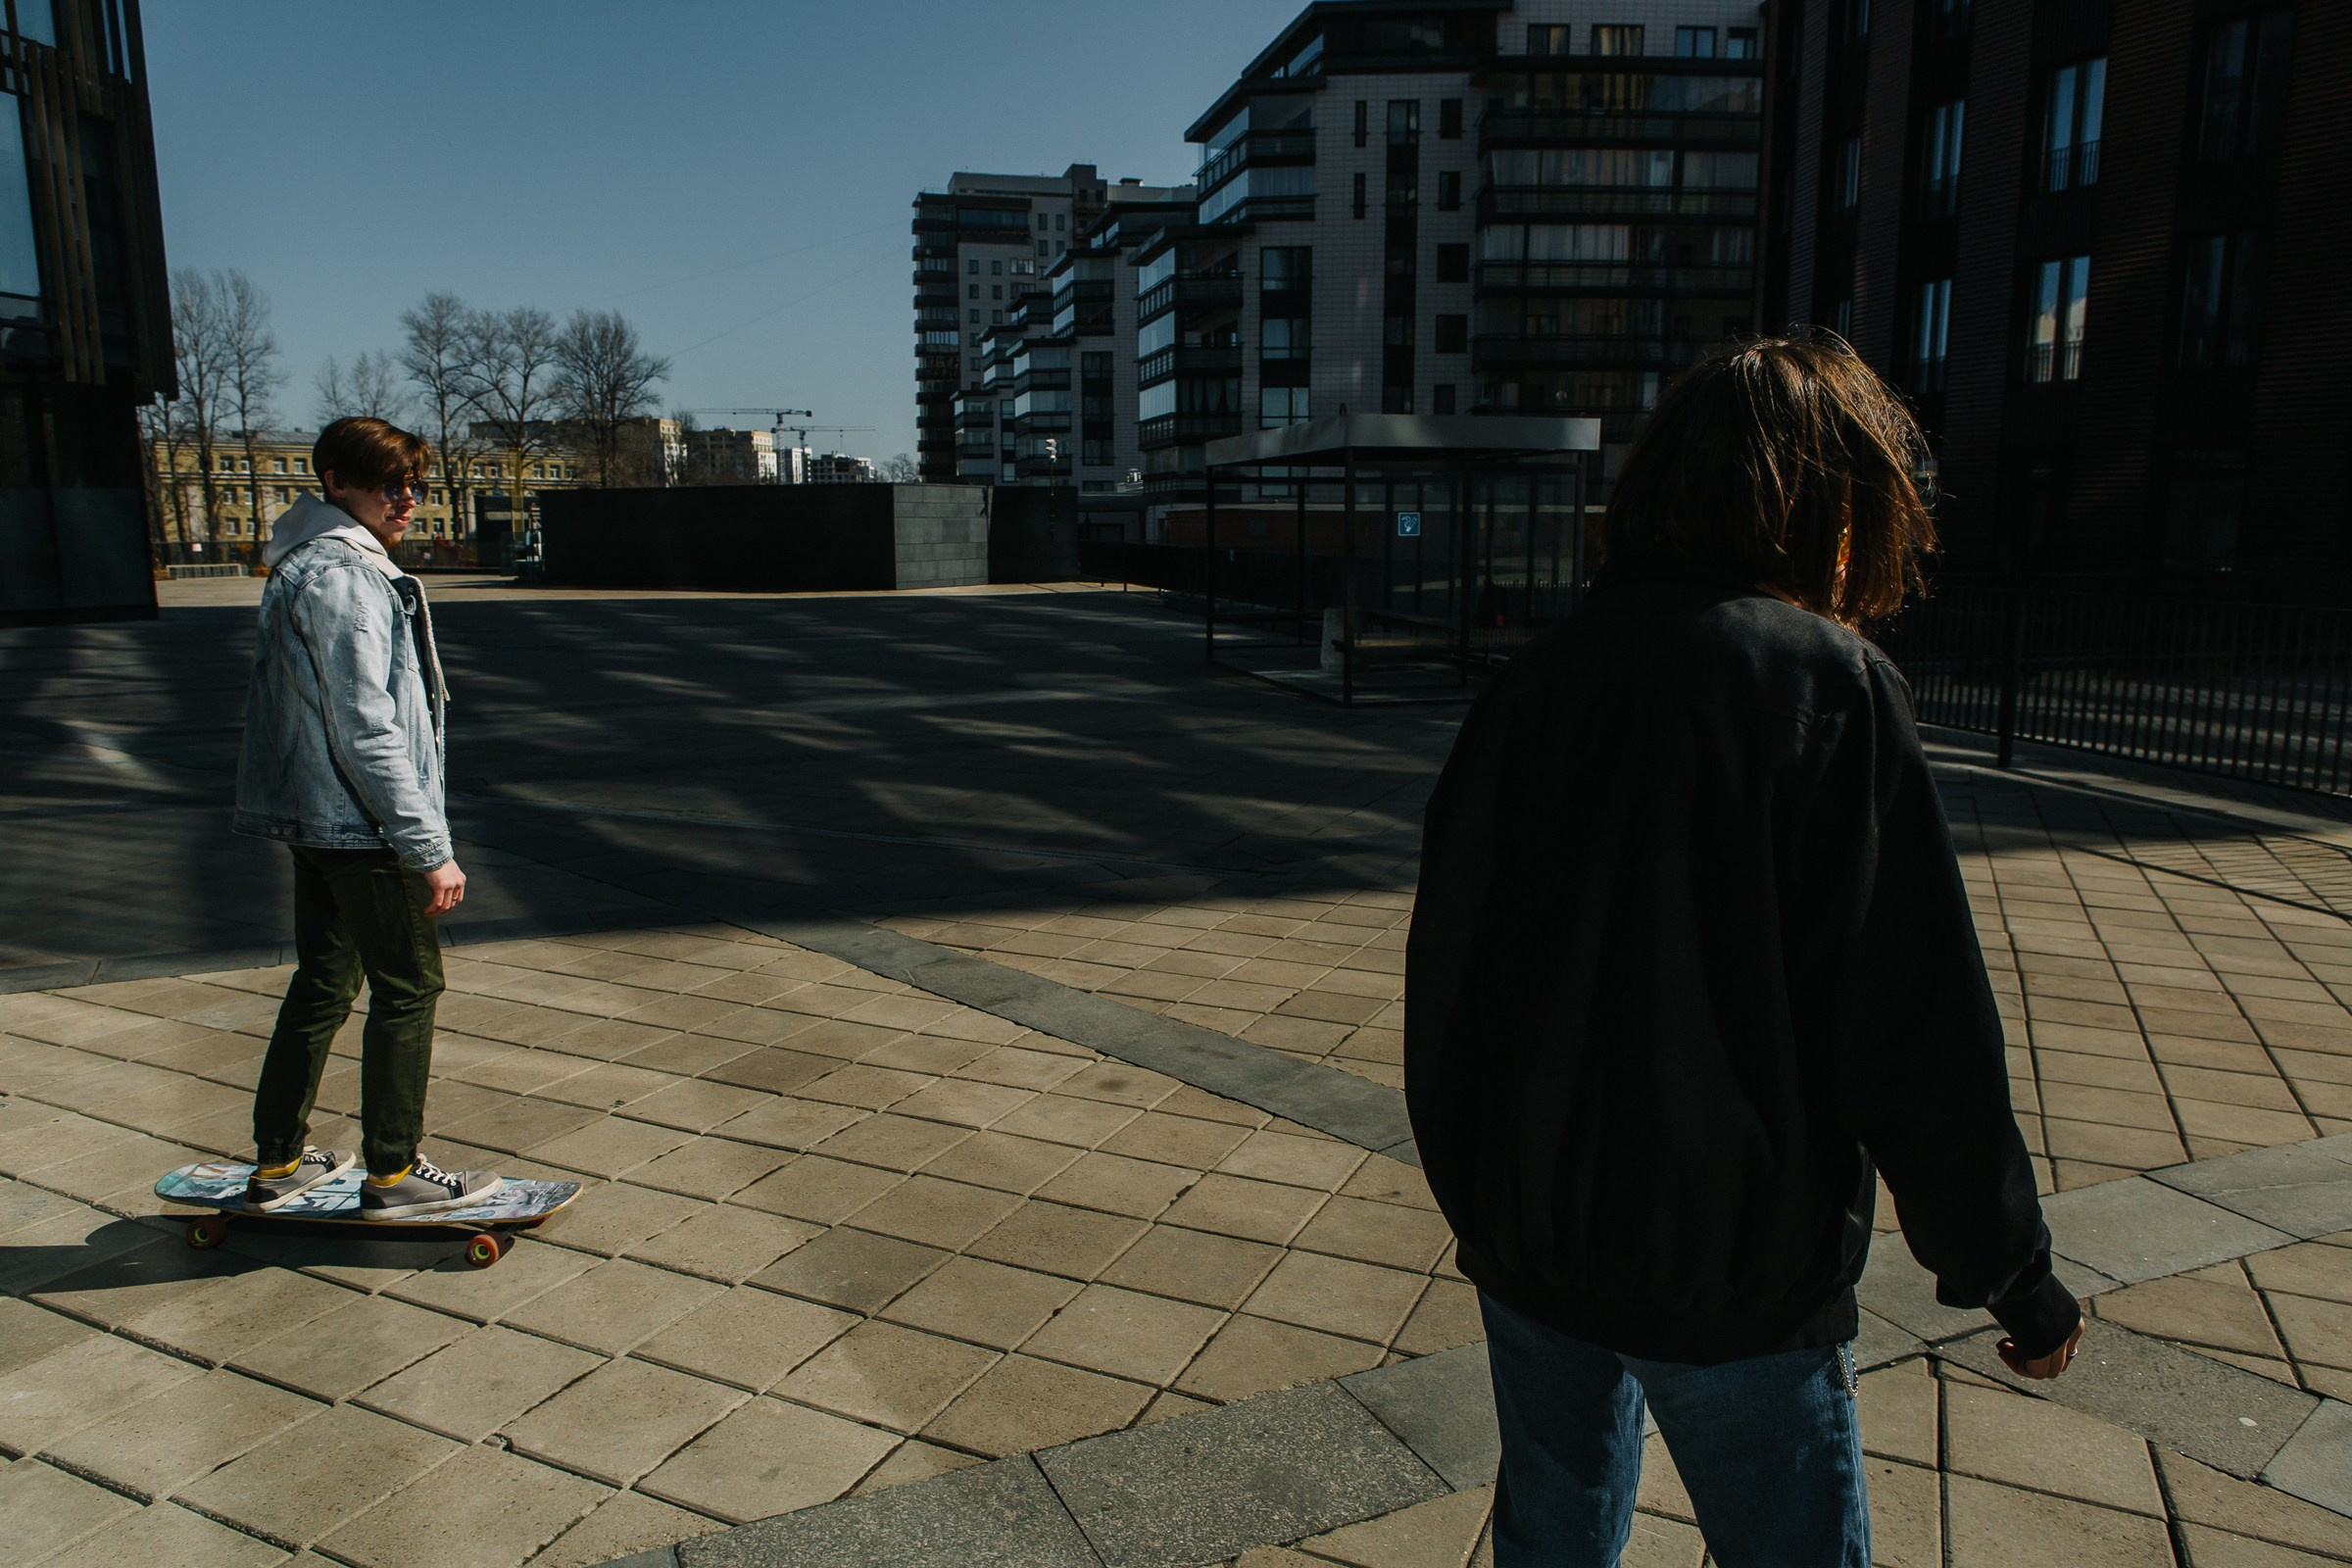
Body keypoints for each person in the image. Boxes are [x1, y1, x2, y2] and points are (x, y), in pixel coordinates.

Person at [1403, 337, 2082, 1566]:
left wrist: (1482, 1187)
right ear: (1829, 503)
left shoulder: (1539, 681)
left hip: (1536, 1241)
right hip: (1729, 1261)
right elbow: (1911, 1018)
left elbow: (1449, 963)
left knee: (1550, 1534)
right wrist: (2010, 1271)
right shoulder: (1821, 685)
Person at [231, 416, 500, 1219]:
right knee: (410, 985)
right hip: (364, 826)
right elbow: (365, 724)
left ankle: (278, 1157)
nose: (409, 499)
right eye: (391, 484)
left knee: (322, 981)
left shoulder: (302, 565)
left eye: (415, 484)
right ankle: (393, 1170)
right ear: (339, 483)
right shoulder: (347, 577)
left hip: (319, 820)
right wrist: (427, 846)